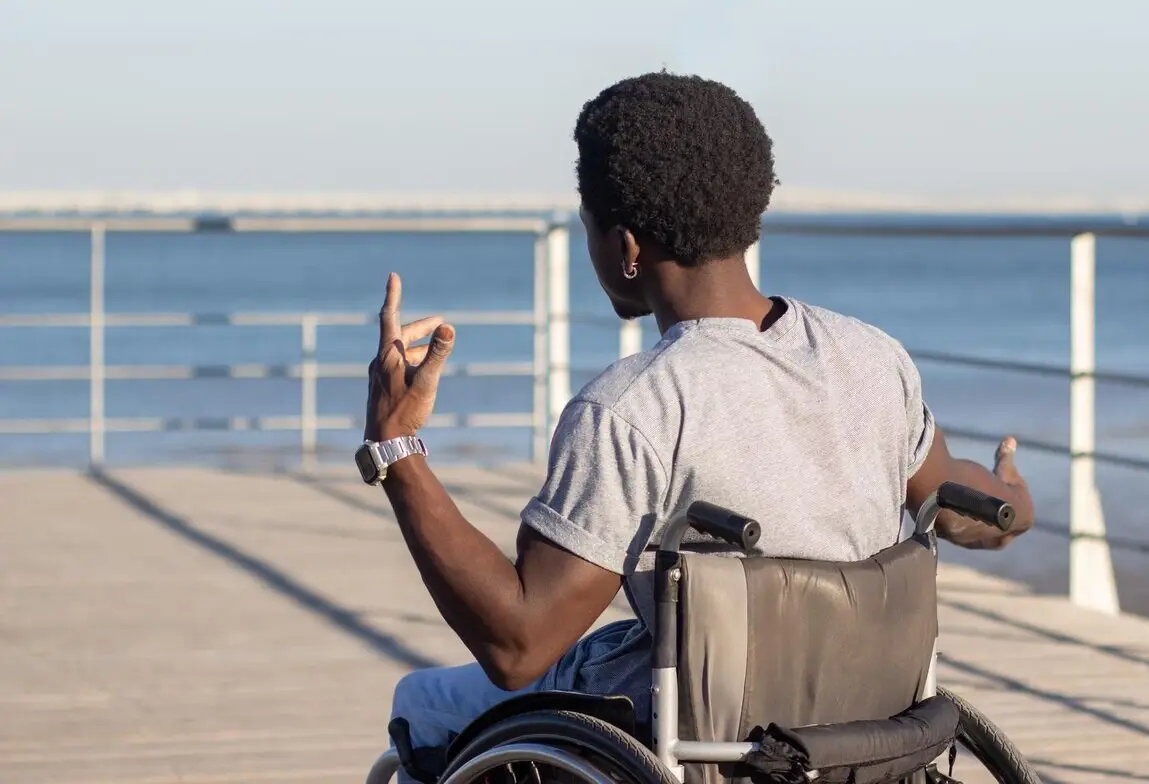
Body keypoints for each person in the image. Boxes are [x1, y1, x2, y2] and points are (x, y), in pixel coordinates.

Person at [360, 72, 1034, 782]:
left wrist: (397, 450)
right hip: (862, 733)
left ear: (625, 246)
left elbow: (520, 643)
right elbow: (968, 509)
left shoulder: (636, 409)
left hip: (714, 739)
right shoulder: (872, 359)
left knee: (422, 704)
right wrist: (1012, 500)